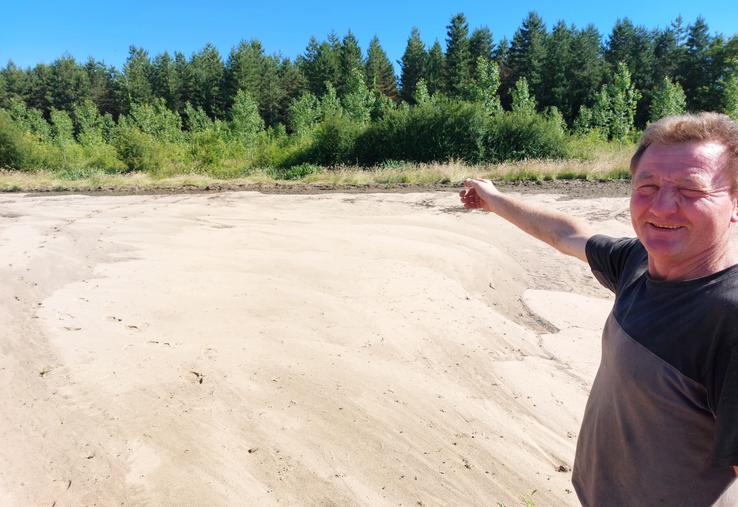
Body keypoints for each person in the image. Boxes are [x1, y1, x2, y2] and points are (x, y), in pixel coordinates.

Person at [459, 112, 738, 506]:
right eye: (648, 185)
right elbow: (566, 233)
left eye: (691, 191)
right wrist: (495, 199)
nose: (661, 207)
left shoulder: (727, 320)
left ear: (734, 202)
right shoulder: (638, 263)